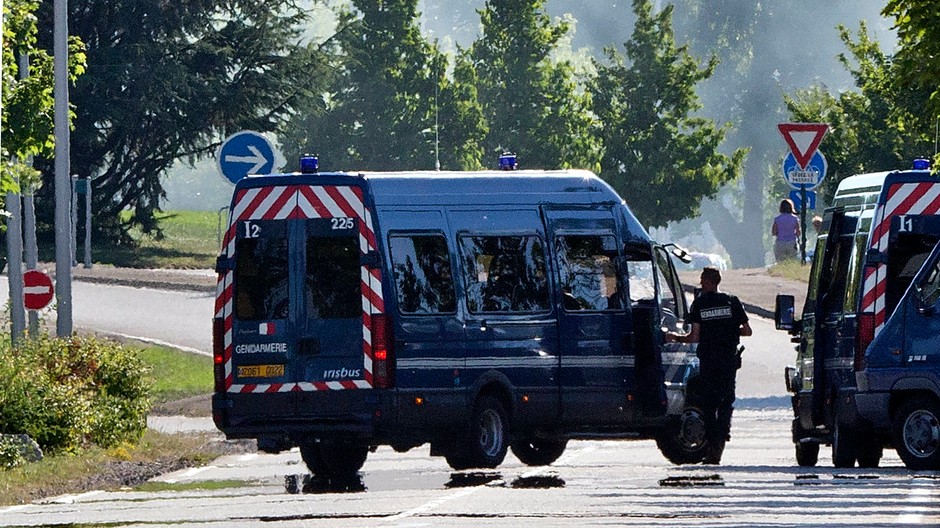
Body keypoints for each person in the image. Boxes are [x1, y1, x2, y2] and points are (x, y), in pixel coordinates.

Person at [666, 266, 752, 464]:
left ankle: (713, 445)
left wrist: (675, 338)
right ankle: (721, 441)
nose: (701, 284)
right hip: (729, 361)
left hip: (708, 362)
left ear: (708, 281)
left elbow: (694, 337)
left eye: (702, 280)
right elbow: (747, 331)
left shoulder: (700, 304)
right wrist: (729, 331)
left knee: (709, 404)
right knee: (726, 402)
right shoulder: (732, 301)